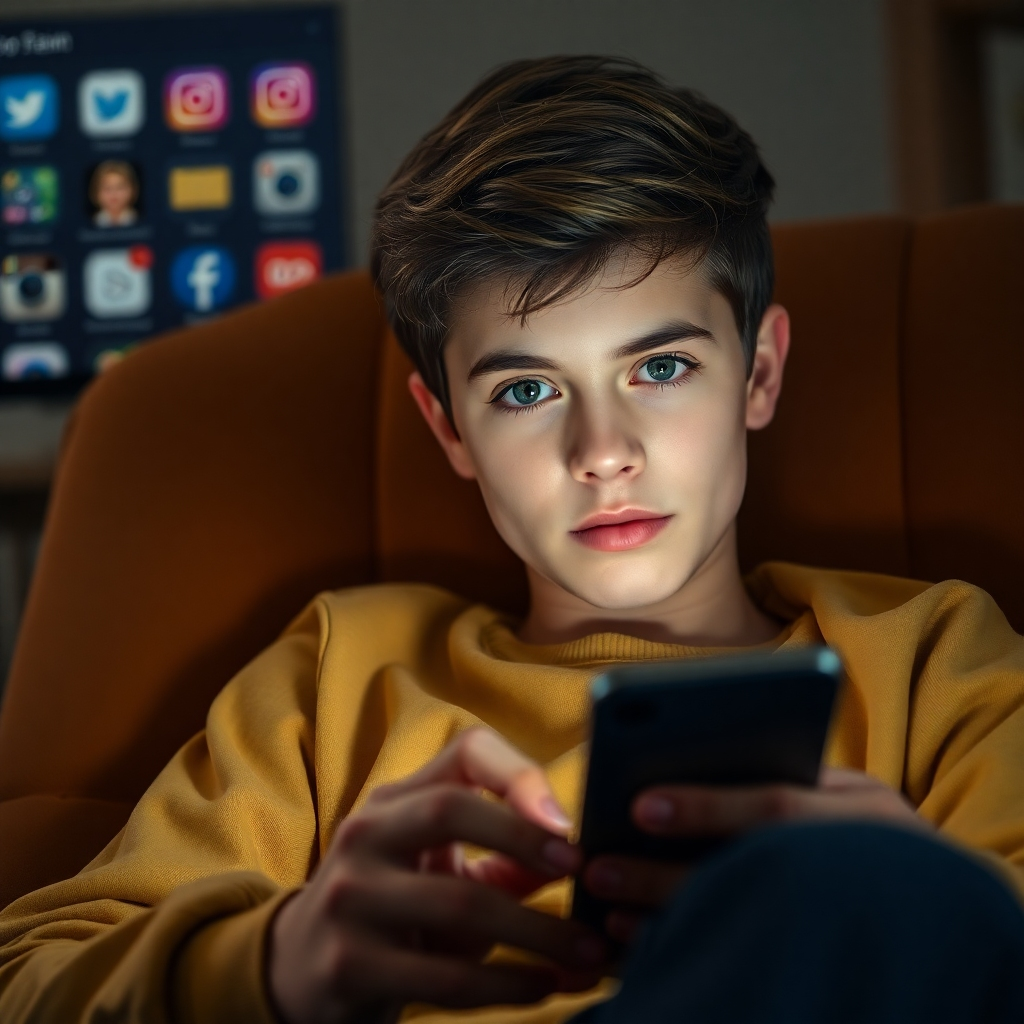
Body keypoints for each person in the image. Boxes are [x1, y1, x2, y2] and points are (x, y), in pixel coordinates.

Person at [2, 55, 1024, 1024]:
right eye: (527, 390)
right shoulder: (341, 676)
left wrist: (926, 895)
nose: (602, 450)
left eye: (660, 369)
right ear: (449, 426)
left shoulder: (933, 659)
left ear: (757, 375)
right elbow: (28, 979)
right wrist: (279, 959)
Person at [89, 159, 139, 227]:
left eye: (119, 188)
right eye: (107, 188)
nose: (113, 193)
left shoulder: (139, 220)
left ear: (132, 190)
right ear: (96, 192)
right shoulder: (91, 223)